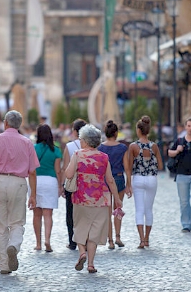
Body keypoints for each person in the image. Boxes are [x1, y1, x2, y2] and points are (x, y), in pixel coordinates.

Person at [0, 110, 39, 274]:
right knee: (17, 222)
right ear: (19, 124)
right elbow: (33, 172)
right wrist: (33, 194)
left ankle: (4, 265)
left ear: (5, 123)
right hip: (19, 183)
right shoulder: (27, 142)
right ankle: (14, 245)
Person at [64, 124, 122, 273]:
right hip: (100, 199)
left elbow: (69, 175)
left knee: (79, 226)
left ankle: (81, 252)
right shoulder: (104, 157)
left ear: (85, 140)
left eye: (81, 139)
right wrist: (117, 199)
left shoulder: (77, 154)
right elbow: (110, 180)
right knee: (94, 232)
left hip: (81, 198)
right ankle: (90, 264)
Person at [127, 115, 164, 249]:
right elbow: (160, 166)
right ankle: (147, 239)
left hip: (138, 178)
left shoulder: (133, 146)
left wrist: (128, 184)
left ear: (138, 130)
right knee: (149, 209)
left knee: (139, 210)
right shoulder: (154, 146)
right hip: (151, 179)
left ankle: (141, 240)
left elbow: (130, 166)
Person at [98, 120, 130, 248]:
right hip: (118, 178)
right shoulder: (122, 148)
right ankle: (118, 236)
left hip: (105, 180)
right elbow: (127, 167)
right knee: (118, 209)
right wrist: (129, 184)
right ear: (116, 133)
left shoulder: (100, 148)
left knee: (107, 212)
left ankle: (110, 240)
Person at [31, 124, 62, 252]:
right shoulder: (56, 150)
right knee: (48, 214)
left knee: (36, 214)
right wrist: (60, 186)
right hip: (51, 181)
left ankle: (38, 243)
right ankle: (47, 241)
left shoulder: (33, 148)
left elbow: (31, 168)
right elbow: (58, 170)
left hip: (36, 181)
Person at [61, 118, 87, 250]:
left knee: (70, 212)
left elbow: (65, 168)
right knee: (85, 213)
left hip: (72, 184)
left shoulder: (69, 147)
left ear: (75, 131)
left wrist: (62, 185)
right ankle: (86, 240)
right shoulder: (90, 145)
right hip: (87, 184)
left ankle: (72, 241)